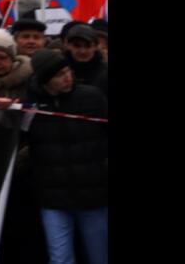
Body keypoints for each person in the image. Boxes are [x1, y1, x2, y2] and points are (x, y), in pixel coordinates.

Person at [23, 49, 109, 264]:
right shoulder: (29, 106)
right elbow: (16, 138)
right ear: (45, 81)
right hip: (53, 199)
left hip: (93, 195)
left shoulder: (92, 97)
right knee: (60, 258)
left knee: (99, 256)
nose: (68, 77)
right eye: (60, 75)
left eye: (68, 71)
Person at [61, 23, 109, 101]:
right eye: (77, 45)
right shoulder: (58, 70)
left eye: (88, 46)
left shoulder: (106, 72)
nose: (82, 51)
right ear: (67, 45)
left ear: (96, 46)